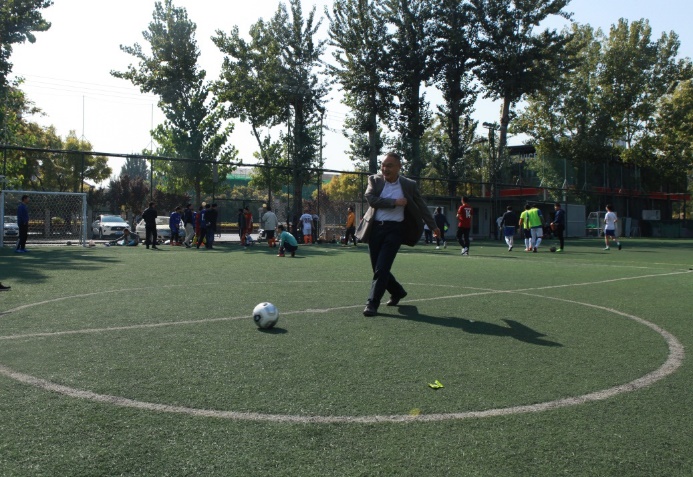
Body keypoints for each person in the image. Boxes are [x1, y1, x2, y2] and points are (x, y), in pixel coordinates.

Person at [355, 152, 439, 317]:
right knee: (377, 268)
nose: (385, 169)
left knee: (382, 267)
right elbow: (371, 199)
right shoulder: (374, 180)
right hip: (375, 229)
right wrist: (394, 202)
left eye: (390, 166)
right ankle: (397, 291)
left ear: (399, 167)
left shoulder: (408, 185)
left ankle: (372, 304)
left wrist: (433, 226)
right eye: (383, 165)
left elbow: (421, 206)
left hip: (395, 230)